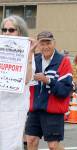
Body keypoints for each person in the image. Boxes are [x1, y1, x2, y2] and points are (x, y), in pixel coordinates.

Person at [25, 31, 73, 150]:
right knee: (30, 140)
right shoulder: (34, 60)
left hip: (53, 110)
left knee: (53, 146)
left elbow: (65, 91)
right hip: (35, 108)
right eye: (42, 43)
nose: (46, 46)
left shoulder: (64, 61)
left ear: (54, 43)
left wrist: (48, 80)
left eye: (48, 43)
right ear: (38, 45)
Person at [0, 15, 35, 150]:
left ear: (20, 31)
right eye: (4, 29)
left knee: (10, 146)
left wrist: (30, 56)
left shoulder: (27, 52)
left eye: (11, 30)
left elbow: (27, 80)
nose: (7, 33)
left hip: (14, 109)